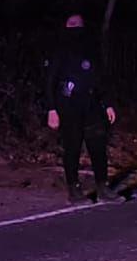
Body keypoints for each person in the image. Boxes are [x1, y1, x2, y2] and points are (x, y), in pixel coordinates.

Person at [45, 13, 118, 203]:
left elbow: (101, 78)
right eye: (71, 24)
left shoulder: (91, 49)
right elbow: (50, 80)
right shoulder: (60, 49)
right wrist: (52, 109)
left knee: (98, 146)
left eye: (78, 24)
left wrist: (108, 103)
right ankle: (74, 190)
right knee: (72, 147)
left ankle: (103, 186)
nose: (75, 28)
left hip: (92, 104)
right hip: (69, 105)